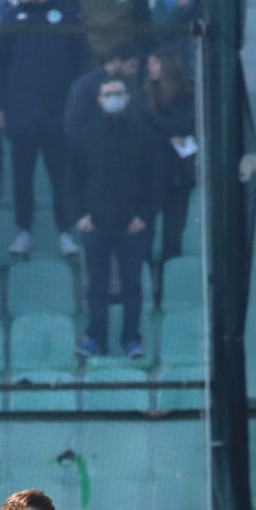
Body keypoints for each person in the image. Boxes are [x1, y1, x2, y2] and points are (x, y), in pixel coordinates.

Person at [0, 0, 84, 259]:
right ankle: (23, 231)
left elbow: (81, 62)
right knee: (21, 177)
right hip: (21, 115)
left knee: (62, 176)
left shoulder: (67, 14)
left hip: (58, 114)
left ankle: (65, 232)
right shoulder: (11, 17)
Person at [69, 76, 161, 359]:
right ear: (99, 100)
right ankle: (95, 339)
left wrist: (144, 217)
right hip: (95, 225)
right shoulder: (84, 136)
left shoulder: (144, 136)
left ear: (128, 97)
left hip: (131, 227)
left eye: (118, 92)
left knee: (132, 286)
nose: (114, 98)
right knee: (96, 287)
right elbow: (72, 182)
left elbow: (155, 181)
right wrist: (80, 216)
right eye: (108, 93)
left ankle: (132, 339)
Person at [142, 47, 197, 267]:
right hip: (150, 174)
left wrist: (156, 126)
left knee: (173, 232)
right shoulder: (145, 93)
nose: (149, 68)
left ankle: (169, 271)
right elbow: (143, 128)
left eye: (154, 62)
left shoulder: (187, 93)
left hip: (179, 174)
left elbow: (185, 124)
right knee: (146, 230)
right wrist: (169, 135)